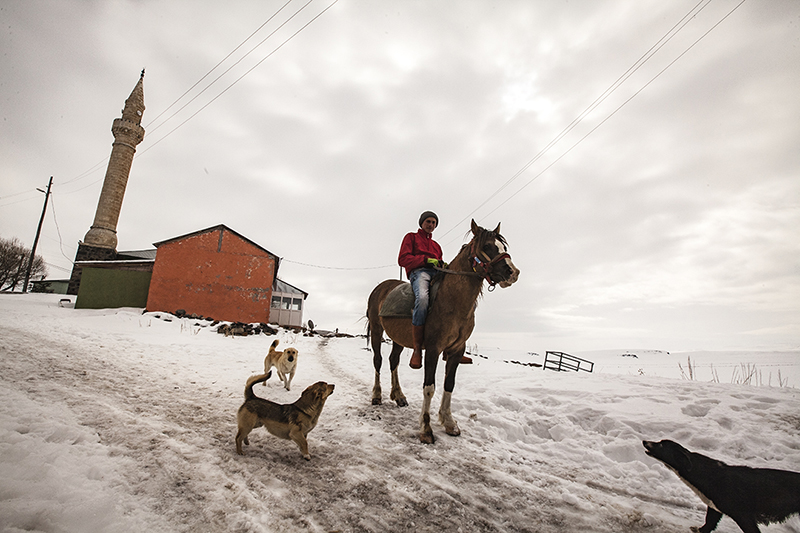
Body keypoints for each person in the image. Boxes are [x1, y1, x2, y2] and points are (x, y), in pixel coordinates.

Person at [398, 211, 472, 369]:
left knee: (455, 298)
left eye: (433, 223)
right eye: (428, 221)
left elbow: (437, 262)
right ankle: (417, 349)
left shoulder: (436, 246)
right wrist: (425, 260)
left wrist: (441, 265)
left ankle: (452, 347)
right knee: (423, 299)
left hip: (437, 274)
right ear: (422, 222)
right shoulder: (411, 237)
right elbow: (403, 259)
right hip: (419, 273)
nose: (431, 225)